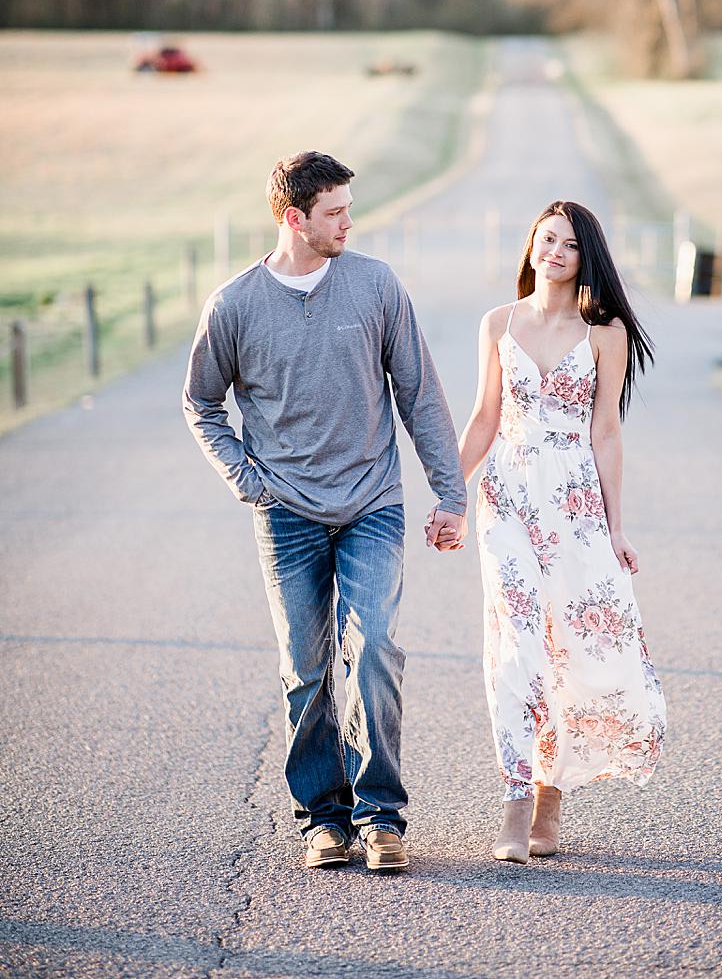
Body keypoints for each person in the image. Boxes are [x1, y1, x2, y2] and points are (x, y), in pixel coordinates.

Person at [183, 151, 467, 873]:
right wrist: (245, 478)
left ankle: (381, 817)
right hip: (285, 512)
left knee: (373, 649)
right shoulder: (235, 304)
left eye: (348, 208)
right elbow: (201, 403)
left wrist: (450, 492)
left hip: (372, 501)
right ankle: (323, 818)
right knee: (306, 669)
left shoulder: (374, 285)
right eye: (334, 212)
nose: (348, 222)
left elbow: (420, 393)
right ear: (294, 218)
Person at [455, 200, 666, 863]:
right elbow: (485, 419)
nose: (553, 252)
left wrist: (616, 527)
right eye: (546, 240)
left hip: (574, 506)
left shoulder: (605, 333)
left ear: (586, 257)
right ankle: (516, 802)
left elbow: (606, 431)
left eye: (568, 245)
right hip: (508, 499)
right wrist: (445, 496)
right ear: (531, 246)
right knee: (516, 646)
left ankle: (552, 798)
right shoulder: (498, 323)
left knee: (571, 647)